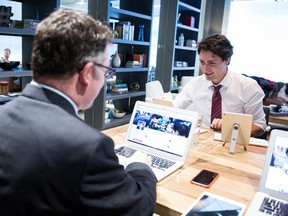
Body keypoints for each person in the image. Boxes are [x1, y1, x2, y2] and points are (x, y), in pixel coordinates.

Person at [0, 9, 156, 216]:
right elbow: (139, 209)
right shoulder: (89, 147)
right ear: (87, 73)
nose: (104, 80)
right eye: (106, 71)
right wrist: (140, 165)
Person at [173, 34, 266, 137]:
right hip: (201, 142)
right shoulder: (194, 84)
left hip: (232, 144)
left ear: (227, 60)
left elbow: (260, 126)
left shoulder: (248, 87)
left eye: (212, 63)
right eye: (202, 62)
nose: (205, 69)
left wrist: (232, 126)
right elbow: (174, 108)